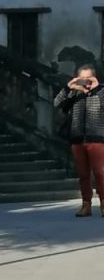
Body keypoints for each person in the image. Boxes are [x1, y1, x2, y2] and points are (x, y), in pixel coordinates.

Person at [55, 64, 104, 217]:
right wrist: (68, 88)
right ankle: (86, 204)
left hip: (97, 138)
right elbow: (57, 104)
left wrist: (96, 89)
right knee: (83, 174)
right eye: (82, 78)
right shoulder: (74, 93)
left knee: (100, 173)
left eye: (88, 78)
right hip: (77, 138)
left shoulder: (101, 91)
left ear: (94, 77)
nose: (85, 81)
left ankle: (103, 203)